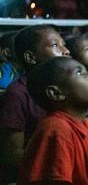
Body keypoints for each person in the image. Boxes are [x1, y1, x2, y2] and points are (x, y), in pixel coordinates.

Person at [0, 25, 70, 183]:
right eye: (54, 45)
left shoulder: (67, 88)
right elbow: (12, 155)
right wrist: (61, 157)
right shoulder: (18, 94)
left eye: (63, 44)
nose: (66, 51)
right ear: (30, 57)